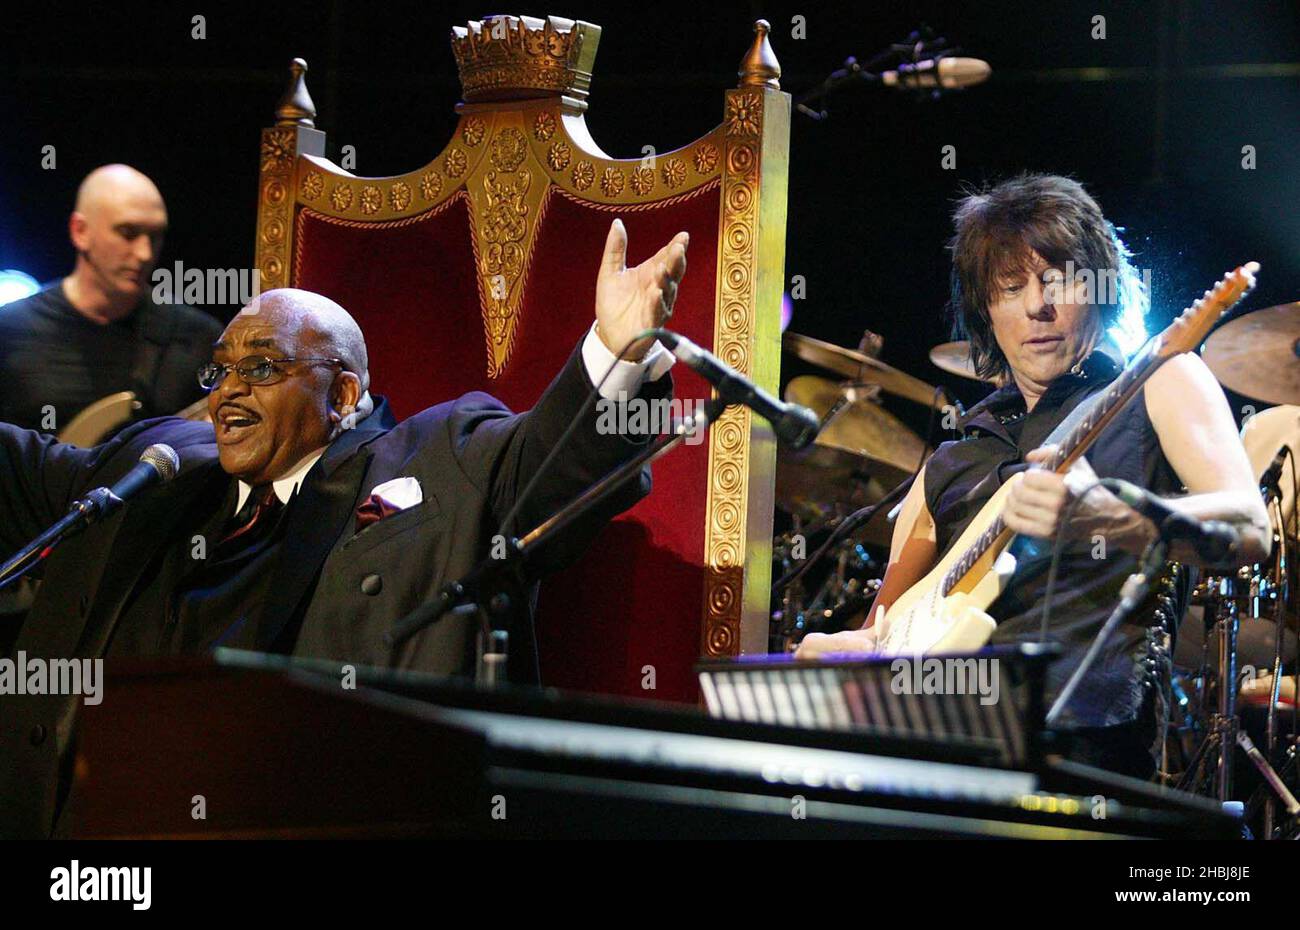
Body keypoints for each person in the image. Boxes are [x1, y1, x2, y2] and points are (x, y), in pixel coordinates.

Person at [0, 219, 688, 837]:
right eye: (221, 368)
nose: (229, 389)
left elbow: (555, 465)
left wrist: (617, 352)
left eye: (262, 367)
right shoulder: (152, 465)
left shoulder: (438, 459)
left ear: (345, 395)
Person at [797, 174, 1271, 777]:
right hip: (934, 751)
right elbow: (886, 633)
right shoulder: (946, 461)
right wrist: (849, 656)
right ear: (984, 313)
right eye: (1010, 287)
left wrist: (1113, 517)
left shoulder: (1160, 382)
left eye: (1058, 281)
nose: (1036, 306)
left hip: (1079, 751)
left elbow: (1250, 526)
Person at [0, 164, 220, 435]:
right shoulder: (9, 330)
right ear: (80, 231)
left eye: (155, 236)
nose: (144, 253)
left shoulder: (198, 337)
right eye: (127, 233)